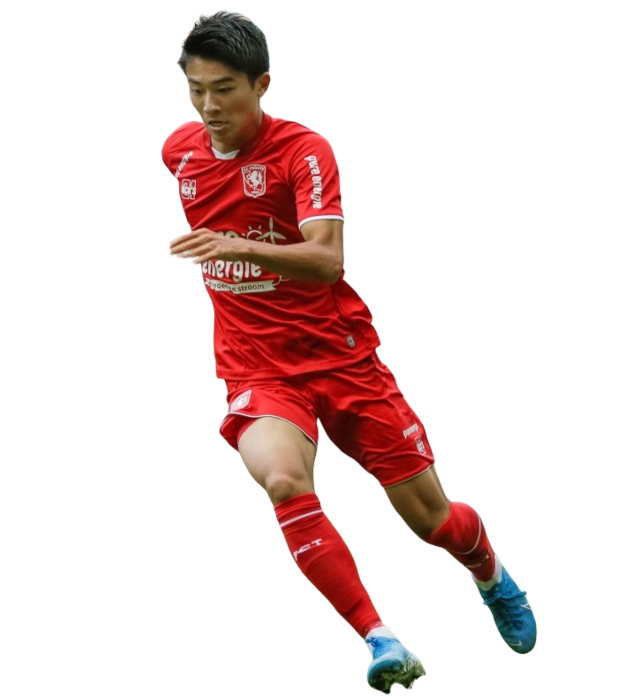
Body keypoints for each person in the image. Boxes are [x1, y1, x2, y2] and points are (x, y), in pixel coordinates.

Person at [163, 10, 537, 693]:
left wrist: (237, 245)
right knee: (282, 480)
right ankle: (380, 638)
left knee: (433, 522)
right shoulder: (178, 152)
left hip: (341, 360)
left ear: (262, 84)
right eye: (196, 90)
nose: (209, 107)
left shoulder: (304, 150)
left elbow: (328, 260)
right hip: (257, 368)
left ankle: (489, 570)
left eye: (225, 90)